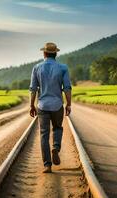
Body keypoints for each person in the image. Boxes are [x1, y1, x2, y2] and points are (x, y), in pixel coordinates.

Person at [29, 42, 72, 173]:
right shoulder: (63, 68)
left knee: (44, 134)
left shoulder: (36, 68)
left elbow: (33, 89)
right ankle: (56, 147)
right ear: (56, 54)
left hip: (42, 105)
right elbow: (67, 88)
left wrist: (31, 105)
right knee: (58, 128)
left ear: (44, 53)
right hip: (57, 104)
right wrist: (68, 104)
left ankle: (47, 165)